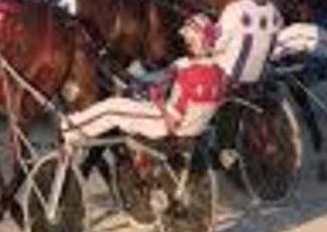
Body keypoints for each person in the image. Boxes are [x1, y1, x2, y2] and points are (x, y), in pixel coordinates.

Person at [60, 14, 226, 147]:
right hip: (196, 128)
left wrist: (157, 100)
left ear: (195, 41)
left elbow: (172, 123)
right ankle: (121, 76)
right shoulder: (219, 72)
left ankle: (73, 128)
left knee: (112, 107)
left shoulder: (189, 73)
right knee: (139, 80)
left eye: (188, 40)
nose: (185, 43)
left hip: (166, 125)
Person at [214, 0, 284, 85]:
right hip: (258, 80)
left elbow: (216, 46)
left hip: (227, 79)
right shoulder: (276, 13)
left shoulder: (234, 9)